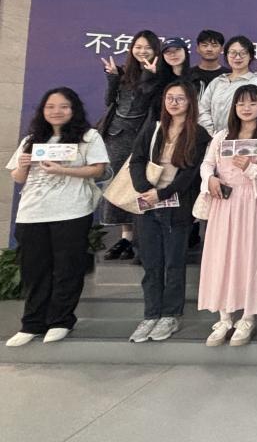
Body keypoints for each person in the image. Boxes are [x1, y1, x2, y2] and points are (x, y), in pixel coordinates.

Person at [5, 88, 109, 347]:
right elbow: (17, 177)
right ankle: (32, 323)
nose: (56, 111)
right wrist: (23, 166)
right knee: (34, 270)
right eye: (50, 106)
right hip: (32, 213)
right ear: (43, 110)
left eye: (63, 106)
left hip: (71, 211)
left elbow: (98, 170)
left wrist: (63, 170)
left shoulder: (88, 137)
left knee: (67, 268)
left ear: (74, 109)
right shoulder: (32, 139)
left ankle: (61, 320)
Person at [198, 85, 257, 346]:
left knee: (251, 257)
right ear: (234, 107)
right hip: (224, 204)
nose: (246, 108)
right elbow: (207, 164)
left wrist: (251, 168)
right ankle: (224, 317)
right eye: (241, 103)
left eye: (252, 103)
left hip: (253, 203)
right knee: (222, 258)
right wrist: (210, 179)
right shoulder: (222, 136)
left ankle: (247, 318)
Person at [128, 81, 211, 343]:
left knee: (174, 263)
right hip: (147, 204)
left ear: (190, 103)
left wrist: (162, 194)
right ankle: (150, 314)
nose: (174, 103)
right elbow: (137, 159)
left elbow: (190, 174)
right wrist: (145, 189)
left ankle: (170, 315)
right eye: (169, 98)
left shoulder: (199, 134)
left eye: (180, 98)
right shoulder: (154, 128)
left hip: (177, 206)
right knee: (151, 263)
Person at [98, 29, 162, 260]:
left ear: (155, 50)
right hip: (116, 135)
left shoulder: (158, 74)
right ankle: (125, 237)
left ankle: (140, 238)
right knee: (116, 184)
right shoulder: (122, 72)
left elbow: (142, 100)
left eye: (148, 47)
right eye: (138, 47)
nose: (142, 51)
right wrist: (113, 77)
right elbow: (109, 101)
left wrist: (150, 76)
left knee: (138, 183)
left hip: (142, 136)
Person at [198, 35, 257, 135]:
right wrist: (212, 134)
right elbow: (203, 110)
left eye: (243, 53)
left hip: (243, 139)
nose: (237, 57)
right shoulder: (217, 82)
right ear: (226, 55)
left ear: (250, 56)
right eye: (233, 53)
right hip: (213, 138)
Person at [192, 29, 229, 96]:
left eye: (214, 46)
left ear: (222, 49)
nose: (209, 49)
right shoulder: (188, 74)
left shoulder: (229, 75)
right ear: (198, 49)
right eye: (205, 45)